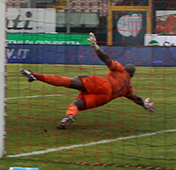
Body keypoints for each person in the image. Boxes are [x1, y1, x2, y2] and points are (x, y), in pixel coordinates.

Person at [20, 33, 154, 129]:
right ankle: (68, 118)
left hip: (102, 85)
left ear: (125, 69)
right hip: (105, 98)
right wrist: (145, 105)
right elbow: (136, 98)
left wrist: (95, 47)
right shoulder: (128, 88)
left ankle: (36, 76)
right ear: (132, 76)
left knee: (70, 82)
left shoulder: (120, 69)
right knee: (75, 105)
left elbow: (106, 59)